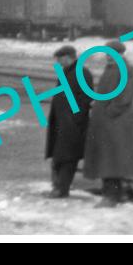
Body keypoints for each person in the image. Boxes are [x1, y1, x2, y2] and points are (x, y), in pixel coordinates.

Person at [83, 40, 133, 207]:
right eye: (107, 53)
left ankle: (111, 197)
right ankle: (115, 194)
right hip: (107, 122)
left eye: (111, 53)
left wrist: (109, 112)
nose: (108, 56)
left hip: (115, 122)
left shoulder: (126, 70)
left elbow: (125, 97)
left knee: (112, 159)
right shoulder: (113, 68)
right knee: (109, 158)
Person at [44, 45, 94, 198]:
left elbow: (86, 98)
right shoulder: (66, 72)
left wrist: (75, 118)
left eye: (60, 59)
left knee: (68, 156)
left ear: (68, 57)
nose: (58, 62)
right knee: (60, 154)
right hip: (61, 121)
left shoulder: (82, 73)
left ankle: (61, 189)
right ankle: (58, 187)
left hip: (72, 123)